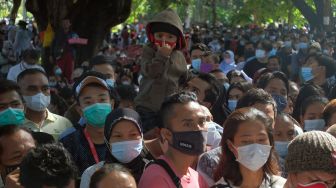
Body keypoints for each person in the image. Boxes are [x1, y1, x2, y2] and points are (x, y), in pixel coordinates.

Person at [138, 91, 208, 188]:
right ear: (166, 134)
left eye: (202, 122)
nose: (199, 129)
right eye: (188, 124)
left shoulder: (197, 177)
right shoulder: (157, 177)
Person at [135, 8, 187, 134]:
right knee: (148, 140)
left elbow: (184, 78)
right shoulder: (149, 51)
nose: (164, 41)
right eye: (159, 36)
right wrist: (161, 56)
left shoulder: (180, 56)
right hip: (147, 107)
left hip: (170, 108)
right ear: (153, 36)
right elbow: (151, 72)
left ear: (177, 39)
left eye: (170, 37)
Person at [80, 108, 154, 187]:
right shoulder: (91, 174)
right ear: (107, 140)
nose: (126, 141)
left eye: (133, 134)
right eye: (118, 136)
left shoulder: (153, 170)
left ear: (142, 137)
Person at [212, 107, 285, 187]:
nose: (255, 146)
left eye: (261, 139)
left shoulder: (283, 185)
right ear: (231, 146)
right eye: (246, 141)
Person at [60, 73, 114, 175]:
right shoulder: (68, 143)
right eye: (88, 102)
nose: (97, 105)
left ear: (112, 104)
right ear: (80, 110)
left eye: (102, 99)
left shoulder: (123, 138)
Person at [17, 68, 73, 140]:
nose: (40, 93)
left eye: (45, 88)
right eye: (32, 89)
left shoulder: (64, 124)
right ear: (19, 92)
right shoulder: (12, 125)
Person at [273, 112, 302, 177]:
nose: (285, 139)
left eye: (290, 133)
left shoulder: (303, 162)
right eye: (278, 134)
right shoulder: (263, 166)